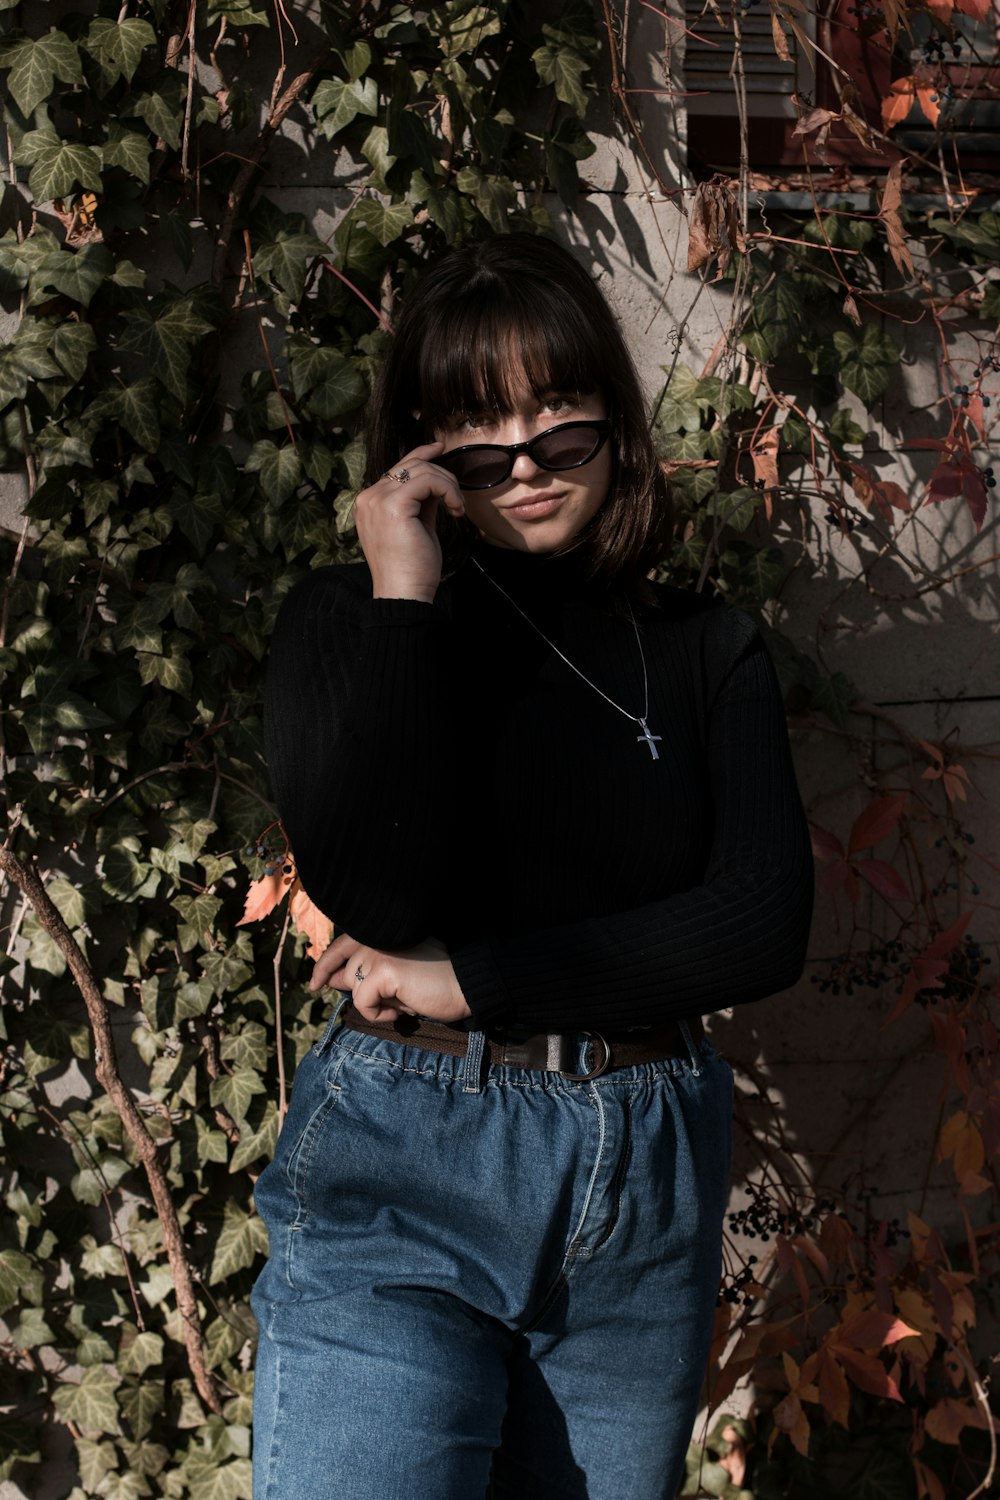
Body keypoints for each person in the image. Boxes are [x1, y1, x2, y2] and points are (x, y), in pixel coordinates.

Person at [251, 233, 813, 1500]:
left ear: (611, 419)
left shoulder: (703, 646)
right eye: (475, 440)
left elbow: (759, 925)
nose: (524, 468)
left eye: (558, 427)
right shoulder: (347, 625)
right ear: (417, 453)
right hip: (407, 1161)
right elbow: (379, 892)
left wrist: (477, 978)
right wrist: (406, 590)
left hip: (647, 1171)